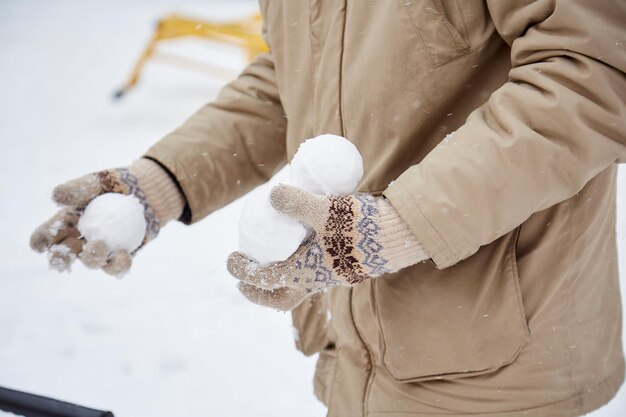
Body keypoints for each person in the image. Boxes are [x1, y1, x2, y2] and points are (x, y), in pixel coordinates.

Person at [31, 0, 626, 415]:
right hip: (357, 346)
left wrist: (403, 225)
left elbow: (591, 73)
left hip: (498, 358)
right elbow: (289, 77)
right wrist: (161, 183)